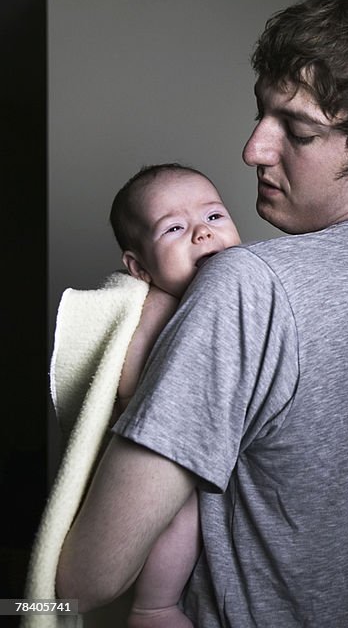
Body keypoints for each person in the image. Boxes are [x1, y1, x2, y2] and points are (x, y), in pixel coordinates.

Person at [57, 0, 348, 627]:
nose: (253, 149)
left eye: (297, 130)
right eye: (262, 117)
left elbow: (84, 580)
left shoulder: (250, 284)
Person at [110, 163, 243, 628]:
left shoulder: (243, 288)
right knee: (176, 514)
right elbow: (131, 387)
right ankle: (154, 606)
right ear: (140, 267)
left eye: (214, 217)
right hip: (164, 444)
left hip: (224, 452)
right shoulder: (156, 305)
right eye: (174, 228)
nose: (202, 235)